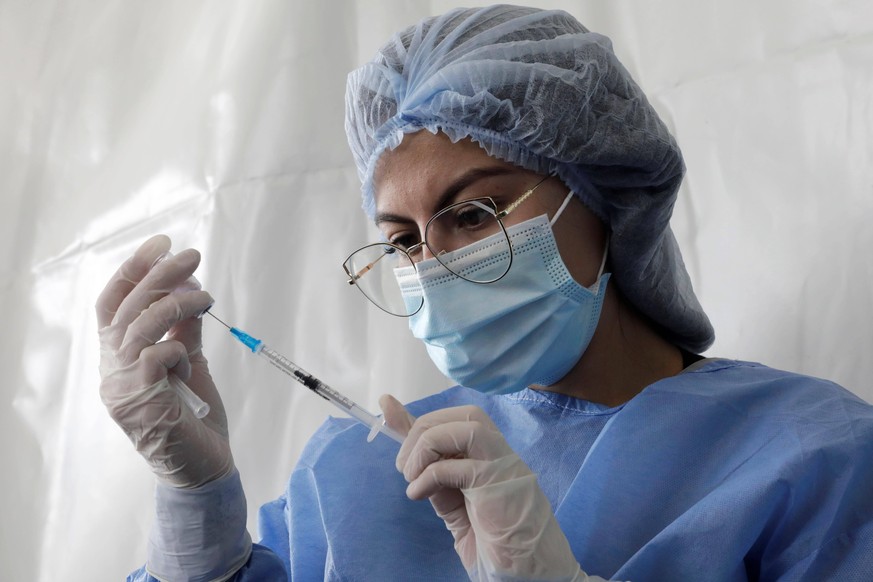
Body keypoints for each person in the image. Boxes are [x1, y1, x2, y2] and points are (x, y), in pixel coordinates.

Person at [97, 5, 873, 581]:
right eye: (403, 241)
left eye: (471, 214)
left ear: (603, 197)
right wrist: (194, 500)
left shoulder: (808, 453)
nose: (433, 264)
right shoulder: (364, 468)